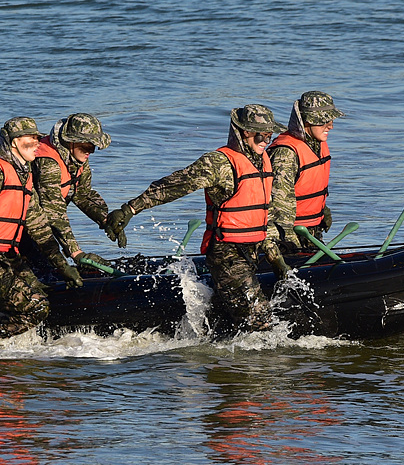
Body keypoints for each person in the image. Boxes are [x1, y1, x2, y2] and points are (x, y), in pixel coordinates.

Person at [105, 105, 292, 335]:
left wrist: (276, 260)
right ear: (244, 132)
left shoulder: (263, 162)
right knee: (260, 322)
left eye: (270, 135)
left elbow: (265, 214)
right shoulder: (219, 163)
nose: (266, 140)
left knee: (232, 323)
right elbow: (173, 185)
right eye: (261, 134)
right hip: (227, 254)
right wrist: (130, 209)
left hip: (252, 251)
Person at [0, 117, 83, 338]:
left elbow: (40, 228)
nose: (36, 142)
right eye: (30, 138)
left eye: (37, 137)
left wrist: (63, 266)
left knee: (41, 293)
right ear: (13, 142)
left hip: (5, 255)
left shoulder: (25, 177)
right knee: (36, 307)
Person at [26, 113, 121, 279]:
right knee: (45, 271)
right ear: (71, 142)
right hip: (24, 225)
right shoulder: (48, 163)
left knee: (50, 267)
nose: (89, 152)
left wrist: (106, 220)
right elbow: (54, 213)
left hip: (39, 223)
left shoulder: (78, 157)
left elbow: (82, 194)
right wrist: (76, 253)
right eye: (86, 147)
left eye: (93, 148)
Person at [268, 91, 345, 251]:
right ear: (308, 121)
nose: (330, 126)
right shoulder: (286, 153)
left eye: (330, 120)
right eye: (324, 121)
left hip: (311, 230)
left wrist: (322, 210)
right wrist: (288, 240)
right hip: (287, 234)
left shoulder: (316, 144)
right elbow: (278, 203)